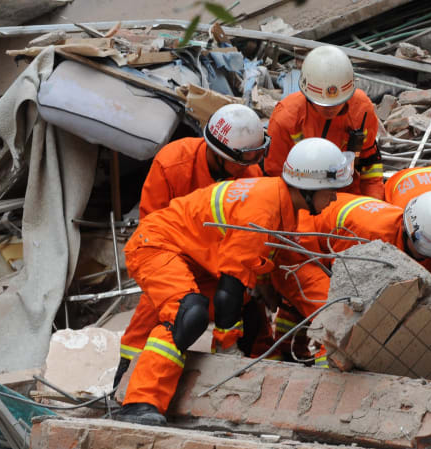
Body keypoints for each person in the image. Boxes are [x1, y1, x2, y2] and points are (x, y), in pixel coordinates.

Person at [116, 138, 353, 426]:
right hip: (156, 245)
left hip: (193, 257)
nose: (334, 199)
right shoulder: (263, 210)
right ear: (308, 188)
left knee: (249, 317)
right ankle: (140, 402)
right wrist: (227, 350)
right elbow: (229, 292)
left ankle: (238, 395)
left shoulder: (281, 204)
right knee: (187, 314)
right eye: (331, 191)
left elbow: (249, 270)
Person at [115, 104, 269, 386]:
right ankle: (126, 383)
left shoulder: (250, 176)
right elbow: (151, 231)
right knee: (154, 323)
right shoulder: (173, 164)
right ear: (219, 154)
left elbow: (247, 240)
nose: (248, 165)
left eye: (254, 157)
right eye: (243, 159)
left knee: (249, 316)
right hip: (172, 262)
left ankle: (242, 380)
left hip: (218, 266)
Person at [264, 45, 383, 199]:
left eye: (338, 103)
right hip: (304, 200)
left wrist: (374, 203)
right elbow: (276, 177)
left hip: (348, 196)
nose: (330, 109)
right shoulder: (286, 118)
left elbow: (370, 163)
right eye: (323, 104)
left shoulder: (361, 110)